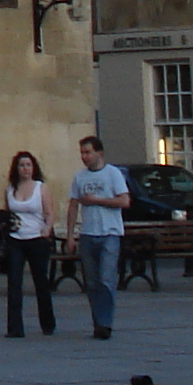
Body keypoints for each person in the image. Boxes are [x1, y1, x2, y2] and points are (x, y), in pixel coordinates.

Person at [67, 136, 129, 339]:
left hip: (109, 233)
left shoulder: (113, 174)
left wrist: (98, 200)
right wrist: (70, 236)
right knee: (91, 282)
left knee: (106, 278)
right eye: (82, 153)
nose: (85, 157)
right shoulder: (80, 177)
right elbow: (74, 205)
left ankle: (105, 322)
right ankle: (97, 321)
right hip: (88, 233)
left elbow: (124, 201)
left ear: (99, 153)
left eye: (88, 152)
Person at [0, 150, 57, 337]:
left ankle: (47, 323)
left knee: (41, 282)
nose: (25, 169)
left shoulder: (41, 188)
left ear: (34, 168)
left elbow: (49, 213)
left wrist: (47, 229)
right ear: (16, 169)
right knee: (14, 282)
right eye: (22, 165)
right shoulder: (10, 190)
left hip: (36, 238)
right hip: (16, 239)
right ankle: (15, 327)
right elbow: (7, 214)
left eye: (29, 165)